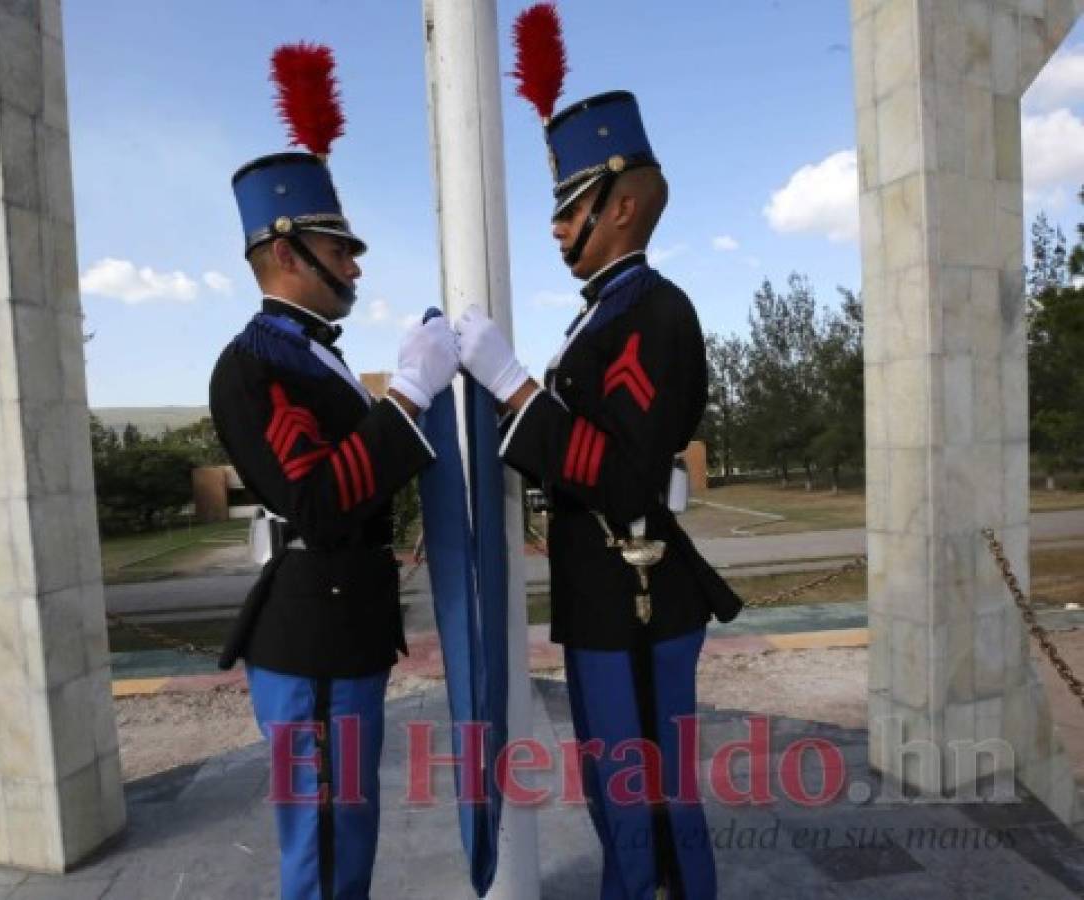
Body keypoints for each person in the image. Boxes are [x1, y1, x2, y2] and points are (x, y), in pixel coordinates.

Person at [455, 88, 744, 899]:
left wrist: (515, 390)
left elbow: (622, 476)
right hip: (604, 595)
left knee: (647, 799)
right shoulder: (605, 314)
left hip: (636, 594)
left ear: (619, 207)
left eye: (567, 207)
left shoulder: (654, 311)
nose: (554, 227)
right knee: (616, 794)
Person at [210, 44, 458, 900]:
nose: (354, 265)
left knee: (348, 825)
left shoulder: (316, 359)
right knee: (321, 836)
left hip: (343, 626)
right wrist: (411, 397)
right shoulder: (254, 363)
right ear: (286, 254)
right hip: (311, 634)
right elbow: (314, 500)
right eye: (338, 249)